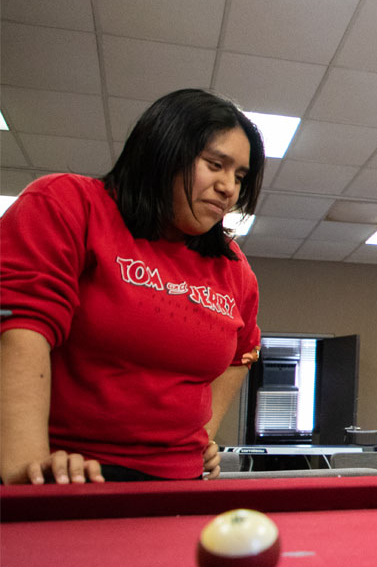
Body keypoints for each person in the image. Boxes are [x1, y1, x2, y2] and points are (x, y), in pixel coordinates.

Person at [0, 89, 266, 484]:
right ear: (163, 152)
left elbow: (243, 353)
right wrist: (26, 471)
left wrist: (201, 437)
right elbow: (21, 329)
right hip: (71, 474)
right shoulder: (68, 203)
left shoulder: (233, 266)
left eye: (239, 176)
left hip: (178, 482)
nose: (229, 188)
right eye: (215, 165)